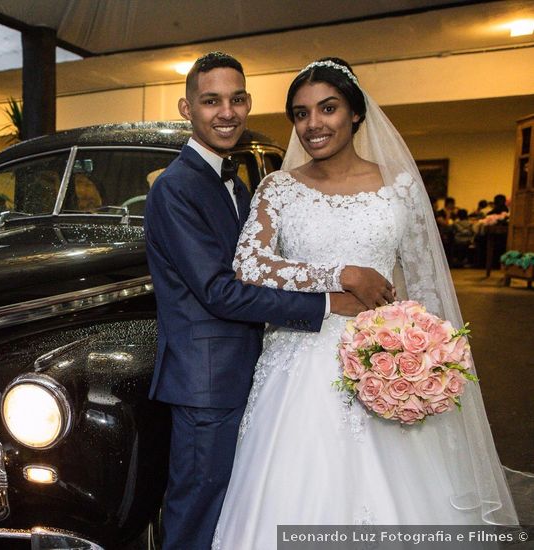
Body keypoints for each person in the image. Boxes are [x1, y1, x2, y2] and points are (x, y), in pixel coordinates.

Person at [211, 58, 518, 549]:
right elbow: (250, 266)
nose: (314, 124)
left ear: (354, 113)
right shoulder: (278, 188)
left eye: (327, 108)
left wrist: (425, 358)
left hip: (385, 356)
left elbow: (424, 283)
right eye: (301, 113)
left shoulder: (398, 187)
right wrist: (340, 277)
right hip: (299, 363)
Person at [143, 52, 394, 550]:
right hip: (206, 382)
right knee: (195, 512)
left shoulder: (235, 183)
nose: (226, 112)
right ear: (186, 108)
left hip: (252, 371)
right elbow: (218, 290)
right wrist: (328, 304)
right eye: (211, 100)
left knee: (232, 512)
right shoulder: (175, 188)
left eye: (237, 99)